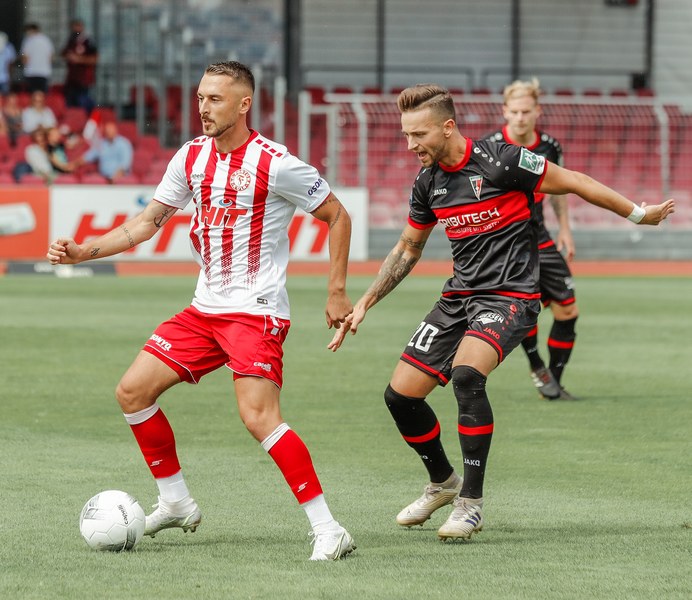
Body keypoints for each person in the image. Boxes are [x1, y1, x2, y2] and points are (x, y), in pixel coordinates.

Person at [328, 83, 674, 542]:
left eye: (419, 134)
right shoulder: (427, 183)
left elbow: (575, 181)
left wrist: (638, 214)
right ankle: (443, 482)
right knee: (400, 397)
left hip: (511, 296)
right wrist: (365, 302)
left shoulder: (502, 161)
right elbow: (408, 249)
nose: (410, 145)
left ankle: (471, 503)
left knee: (467, 375)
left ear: (448, 127)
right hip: (459, 297)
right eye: (406, 135)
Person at [47, 60, 356, 561]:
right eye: (199, 98)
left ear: (244, 104)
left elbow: (337, 214)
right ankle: (175, 502)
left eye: (215, 99)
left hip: (254, 312)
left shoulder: (275, 163)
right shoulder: (191, 156)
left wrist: (336, 291)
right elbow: (147, 222)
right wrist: (85, 251)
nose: (203, 108)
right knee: (133, 391)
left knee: (258, 417)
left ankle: (329, 528)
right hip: (204, 310)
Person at [484, 78, 577, 400]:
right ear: (504, 111)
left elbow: (560, 189)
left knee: (568, 309)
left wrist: (565, 228)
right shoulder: (490, 147)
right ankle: (538, 367)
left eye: (526, 111)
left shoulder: (550, 146)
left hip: (540, 234)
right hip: (507, 241)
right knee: (525, 310)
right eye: (514, 111)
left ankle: (555, 381)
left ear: (538, 111)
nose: (520, 117)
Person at [60, 19, 98, 114]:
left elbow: (95, 59)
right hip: (72, 79)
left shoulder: (88, 41)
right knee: (71, 104)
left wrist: (79, 59)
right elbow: (63, 53)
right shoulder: (71, 41)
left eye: (77, 27)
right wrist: (68, 56)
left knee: (83, 103)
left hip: (84, 79)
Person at [20, 23, 54, 93]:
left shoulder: (27, 41)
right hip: (44, 72)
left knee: (32, 95)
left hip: (31, 72)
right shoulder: (46, 40)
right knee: (42, 95)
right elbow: (51, 57)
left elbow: (24, 57)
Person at [0, 31, 17, 96]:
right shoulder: (9, 47)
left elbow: (10, 64)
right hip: (5, 78)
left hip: (5, 78)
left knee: (5, 98)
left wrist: (10, 78)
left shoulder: (9, 47)